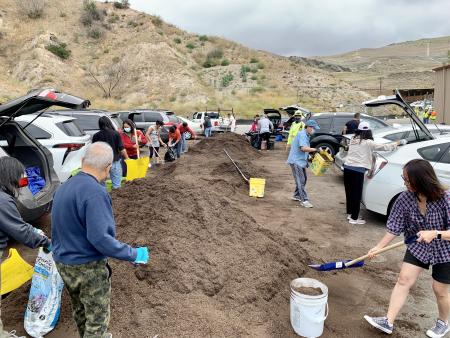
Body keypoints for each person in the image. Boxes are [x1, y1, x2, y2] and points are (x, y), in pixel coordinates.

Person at [51, 142, 149, 338]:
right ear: (108, 167)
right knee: (97, 321)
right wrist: (134, 254)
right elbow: (100, 239)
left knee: (80, 309)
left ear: (82, 161)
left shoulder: (64, 187)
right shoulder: (95, 192)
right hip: (86, 268)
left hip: (63, 262)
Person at [364, 159, 450, 337]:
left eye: (408, 180)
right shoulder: (405, 198)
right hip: (418, 247)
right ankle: (388, 321)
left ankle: (443, 322)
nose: (405, 184)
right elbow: (394, 226)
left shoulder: (445, 198)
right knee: (403, 280)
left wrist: (436, 233)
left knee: (439, 289)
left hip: (445, 250)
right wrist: (377, 247)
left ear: (422, 180)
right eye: (404, 179)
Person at [0, 157, 51, 338]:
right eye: (21, 180)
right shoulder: (3, 200)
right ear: (9, 177)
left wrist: (32, 230)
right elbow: (20, 231)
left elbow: (15, 224)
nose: (22, 185)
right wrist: (45, 242)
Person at [344, 121, 404, 224]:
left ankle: (350, 214)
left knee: (349, 193)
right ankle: (354, 218)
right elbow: (385, 147)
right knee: (356, 194)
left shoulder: (353, 140)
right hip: (358, 170)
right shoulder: (368, 142)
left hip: (347, 168)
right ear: (368, 132)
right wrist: (399, 142)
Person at [286, 120, 320, 208]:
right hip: (296, 161)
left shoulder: (306, 135)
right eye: (313, 128)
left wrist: (308, 157)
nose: (314, 130)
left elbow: (304, 149)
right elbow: (303, 148)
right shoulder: (302, 135)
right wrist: (315, 150)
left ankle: (296, 195)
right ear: (308, 127)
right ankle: (304, 200)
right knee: (301, 180)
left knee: (303, 179)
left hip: (300, 161)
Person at [92, 117, 129, 189]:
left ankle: (103, 198)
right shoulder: (115, 134)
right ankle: (117, 199)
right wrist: (127, 158)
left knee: (101, 185)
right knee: (116, 185)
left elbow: (94, 150)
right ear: (109, 123)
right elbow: (121, 148)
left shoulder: (96, 135)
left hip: (101, 163)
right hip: (114, 161)